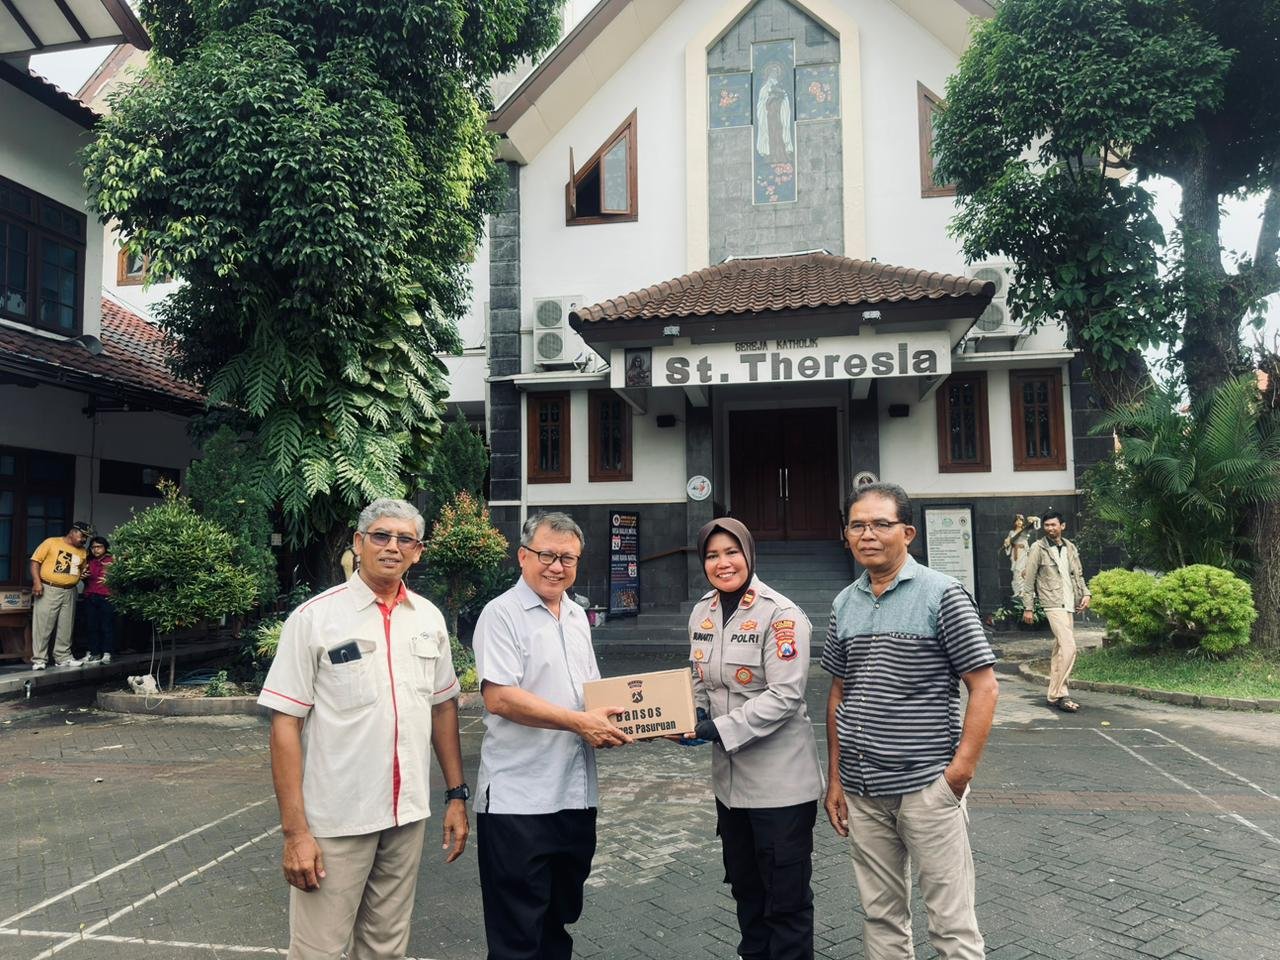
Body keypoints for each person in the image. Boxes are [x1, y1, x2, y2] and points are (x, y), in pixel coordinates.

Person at [257, 498, 468, 960]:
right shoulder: (315, 618)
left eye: (405, 539)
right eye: (381, 536)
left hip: (406, 815)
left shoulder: (428, 618)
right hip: (336, 820)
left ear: (418, 551)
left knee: (386, 948)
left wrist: (456, 796)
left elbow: (442, 709)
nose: (392, 547)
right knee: (319, 951)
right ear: (359, 542)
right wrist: (295, 833)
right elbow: (285, 724)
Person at [821, 482, 998, 960]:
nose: (868, 534)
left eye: (881, 524)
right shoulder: (844, 604)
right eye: (857, 525)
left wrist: (959, 773)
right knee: (881, 916)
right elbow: (839, 692)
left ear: (908, 532)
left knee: (952, 925)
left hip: (927, 786)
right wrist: (836, 779)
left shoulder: (943, 595)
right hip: (862, 789)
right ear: (846, 535)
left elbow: (984, 686)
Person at [472, 511, 632, 960]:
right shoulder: (501, 614)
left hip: (575, 797)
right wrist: (581, 723)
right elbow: (500, 698)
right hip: (518, 802)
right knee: (517, 935)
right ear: (523, 556)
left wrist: (650, 721)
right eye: (547, 555)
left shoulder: (578, 615)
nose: (556, 567)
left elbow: (594, 695)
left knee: (557, 924)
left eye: (568, 558)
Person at [682, 517, 824, 960]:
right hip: (730, 788)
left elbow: (785, 696)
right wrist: (691, 714)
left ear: (748, 554)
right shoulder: (702, 612)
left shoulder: (781, 615)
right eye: (712, 555)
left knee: (785, 902)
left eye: (731, 552)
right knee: (746, 891)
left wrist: (717, 728)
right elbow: (698, 678)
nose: (722, 563)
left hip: (780, 788)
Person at [1019, 509, 1090, 713]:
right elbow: (1029, 578)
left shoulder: (1070, 547)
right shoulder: (1037, 548)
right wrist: (1028, 607)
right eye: (1047, 525)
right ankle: (1061, 694)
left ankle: (1053, 695)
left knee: (1060, 650)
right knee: (1070, 648)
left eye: (1054, 525)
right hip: (1052, 602)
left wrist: (1086, 593)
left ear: (1062, 526)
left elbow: (1079, 574)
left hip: (1069, 603)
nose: (1050, 528)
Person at [29, 520, 91, 670]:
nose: (84, 540)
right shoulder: (51, 542)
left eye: (86, 538)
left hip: (70, 590)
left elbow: (81, 569)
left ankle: (63, 657)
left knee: (66, 625)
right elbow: (35, 562)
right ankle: (39, 659)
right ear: (73, 531)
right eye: (83, 536)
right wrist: (37, 583)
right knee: (43, 625)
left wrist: (82, 574)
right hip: (49, 588)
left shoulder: (82, 551)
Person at [82, 536, 116, 664]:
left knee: (106, 626)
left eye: (99, 547)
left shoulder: (112, 560)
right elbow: (85, 579)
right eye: (93, 547)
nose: (95, 550)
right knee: (91, 626)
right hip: (90, 595)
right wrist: (83, 576)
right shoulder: (89, 561)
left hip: (106, 596)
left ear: (105, 548)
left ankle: (107, 653)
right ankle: (93, 652)